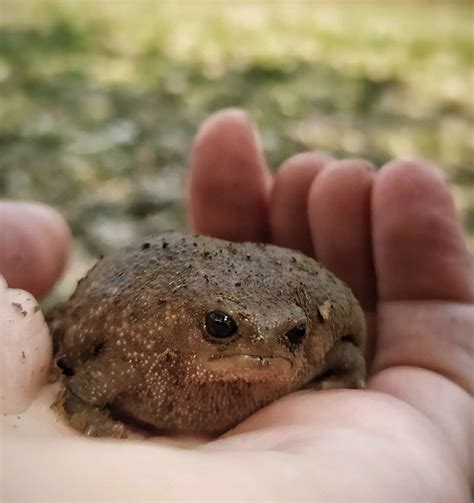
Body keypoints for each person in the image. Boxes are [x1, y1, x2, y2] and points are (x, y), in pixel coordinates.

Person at [1, 109, 472, 501]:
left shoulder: (310, 353)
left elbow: (344, 354)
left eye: (291, 335)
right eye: (224, 327)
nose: (264, 346)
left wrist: (342, 380)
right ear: (203, 324)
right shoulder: (142, 353)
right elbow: (82, 394)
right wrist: (98, 438)